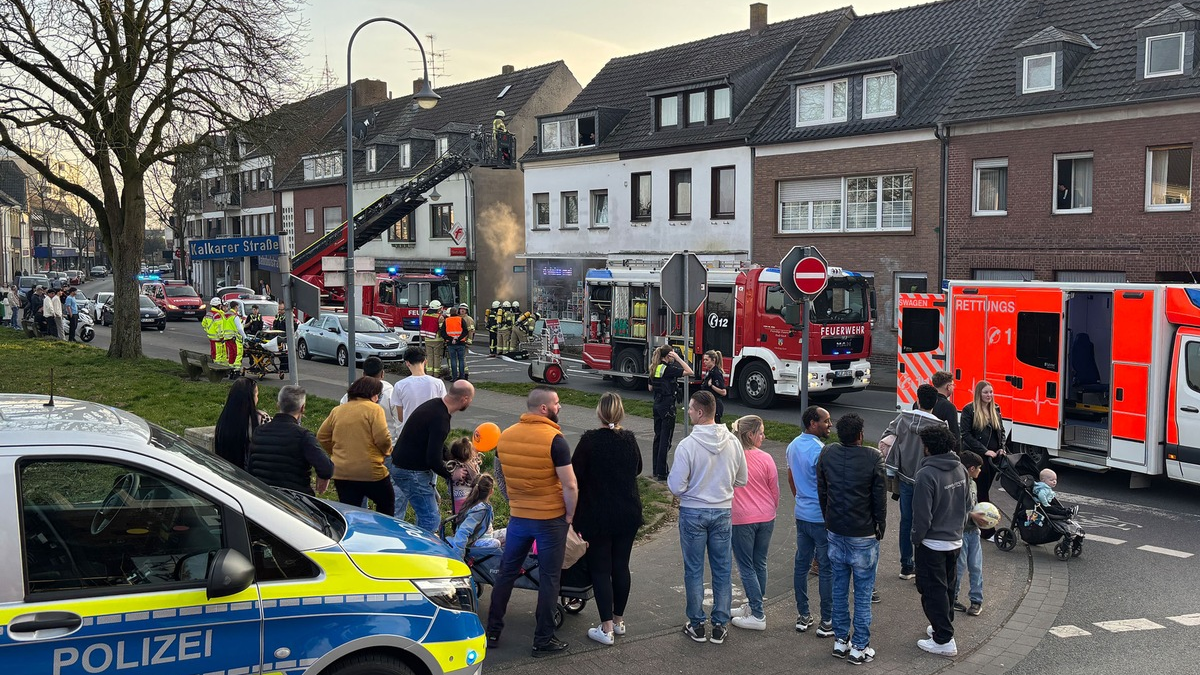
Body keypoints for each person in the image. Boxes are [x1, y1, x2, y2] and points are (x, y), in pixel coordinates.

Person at [487, 386, 579, 658]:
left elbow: (501, 478)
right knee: (550, 578)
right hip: (550, 519)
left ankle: (493, 630)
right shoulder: (555, 440)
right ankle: (543, 639)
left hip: (519, 518)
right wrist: (570, 514)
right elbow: (570, 485)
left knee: (506, 573)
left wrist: (515, 501)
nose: (559, 407)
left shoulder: (505, 437)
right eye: (557, 403)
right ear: (543, 408)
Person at [668, 391, 747, 646]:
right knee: (722, 569)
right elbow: (742, 479)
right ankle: (720, 624)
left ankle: (697, 623)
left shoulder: (687, 445)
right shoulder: (733, 442)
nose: (687, 412)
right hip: (723, 510)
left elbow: (676, 487)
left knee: (693, 569)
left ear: (700, 413)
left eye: (690, 409)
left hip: (693, 511)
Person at [571, 392, 643, 646]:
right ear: (621, 413)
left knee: (600, 570)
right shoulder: (629, 439)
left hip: (597, 513)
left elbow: (574, 474)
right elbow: (638, 469)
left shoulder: (589, 441)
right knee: (621, 566)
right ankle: (619, 620)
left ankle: (606, 628)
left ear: (599, 413)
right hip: (628, 511)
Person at [817, 413, 886, 665]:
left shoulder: (828, 453)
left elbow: (822, 489)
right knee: (863, 593)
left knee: (839, 588)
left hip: (836, 530)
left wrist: (828, 518)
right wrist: (881, 525)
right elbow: (879, 498)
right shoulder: (873, 457)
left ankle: (840, 640)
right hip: (863, 533)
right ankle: (859, 646)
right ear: (860, 434)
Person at [912, 425, 971, 657]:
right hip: (955, 540)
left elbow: (922, 516)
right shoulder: (960, 468)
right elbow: (967, 504)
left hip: (932, 543)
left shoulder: (926, 475)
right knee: (947, 588)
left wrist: (916, 540)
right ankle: (942, 627)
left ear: (928, 448)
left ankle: (944, 639)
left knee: (931, 591)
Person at [882, 383, 948, 581]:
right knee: (926, 523)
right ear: (935, 402)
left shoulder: (903, 418)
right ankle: (921, 566)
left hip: (905, 478)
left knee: (906, 522)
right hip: (929, 481)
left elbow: (887, 436)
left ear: (917, 400)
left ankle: (905, 566)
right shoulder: (940, 426)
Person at [392, 380, 476, 532]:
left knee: (424, 513)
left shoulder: (436, 406)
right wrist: (452, 473)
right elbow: (433, 460)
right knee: (431, 518)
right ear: (464, 399)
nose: (470, 402)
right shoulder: (441, 420)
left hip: (402, 464)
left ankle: (415, 540)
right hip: (411, 471)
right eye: (471, 399)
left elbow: (433, 444)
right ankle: (421, 552)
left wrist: (451, 458)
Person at [786, 406, 835, 637]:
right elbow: (827, 485)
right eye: (826, 421)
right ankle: (827, 620)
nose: (830, 425)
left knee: (801, 565)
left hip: (801, 514)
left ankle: (803, 615)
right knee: (826, 568)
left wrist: (800, 499)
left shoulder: (792, 445)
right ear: (813, 423)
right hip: (819, 518)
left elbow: (790, 476)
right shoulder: (821, 450)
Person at [317, 377, 395, 515]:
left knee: (350, 513)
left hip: (341, 472)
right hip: (370, 471)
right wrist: (387, 452)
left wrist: (336, 453)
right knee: (386, 504)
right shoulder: (374, 409)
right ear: (373, 394)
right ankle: (380, 534)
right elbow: (382, 439)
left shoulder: (338, 410)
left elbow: (322, 436)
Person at [729, 415, 778, 631]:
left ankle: (757, 613)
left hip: (741, 518)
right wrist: (771, 509)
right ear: (750, 435)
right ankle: (753, 604)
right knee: (760, 562)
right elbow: (774, 489)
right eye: (761, 433)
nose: (763, 436)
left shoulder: (732, 458)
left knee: (746, 566)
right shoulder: (767, 458)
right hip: (766, 516)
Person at [246, 385, 334, 496]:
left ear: (278, 405)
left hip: (264, 496)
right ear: (302, 408)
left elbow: (251, 466)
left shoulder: (259, 431)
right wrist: (323, 477)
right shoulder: (303, 436)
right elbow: (327, 468)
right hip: (294, 499)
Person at [960, 380, 1005, 539]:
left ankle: (980, 525)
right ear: (979, 393)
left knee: (982, 491)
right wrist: (985, 451)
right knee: (982, 492)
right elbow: (966, 435)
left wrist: (1001, 448)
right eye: (986, 392)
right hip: (977, 457)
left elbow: (1001, 431)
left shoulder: (996, 409)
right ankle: (986, 530)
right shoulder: (969, 410)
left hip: (993, 458)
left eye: (991, 392)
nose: (989, 395)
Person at [649, 344, 695, 481]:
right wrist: (679, 358)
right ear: (668, 356)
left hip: (657, 405)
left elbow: (650, 387)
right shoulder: (669, 369)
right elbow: (690, 371)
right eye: (672, 355)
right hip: (667, 406)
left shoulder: (655, 367)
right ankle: (663, 472)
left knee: (657, 438)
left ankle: (656, 470)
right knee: (665, 440)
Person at [953, 450, 987, 617]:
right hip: (961, 533)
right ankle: (953, 597)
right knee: (958, 568)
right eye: (979, 468)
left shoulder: (973, 483)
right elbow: (954, 510)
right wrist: (972, 515)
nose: (980, 471)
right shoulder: (958, 484)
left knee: (975, 566)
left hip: (974, 531)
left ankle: (976, 600)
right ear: (971, 468)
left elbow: (974, 505)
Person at [213, 377, 271, 469]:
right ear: (250, 398)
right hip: (251, 473)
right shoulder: (261, 418)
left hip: (227, 470)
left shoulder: (224, 418)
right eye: (256, 395)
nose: (257, 398)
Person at [390, 346, 446, 433]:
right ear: (425, 361)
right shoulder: (438, 383)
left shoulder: (399, 385)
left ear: (407, 363)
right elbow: (444, 409)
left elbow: (400, 417)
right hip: (431, 431)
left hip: (409, 431)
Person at [340, 356, 398, 440]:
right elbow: (399, 420)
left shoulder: (352, 392)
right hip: (387, 442)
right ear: (382, 374)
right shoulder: (390, 393)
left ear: (363, 374)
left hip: (359, 441)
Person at [450, 474, 503, 559]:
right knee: (495, 543)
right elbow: (462, 531)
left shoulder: (482, 505)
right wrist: (458, 555)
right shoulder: (479, 510)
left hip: (486, 536)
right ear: (491, 491)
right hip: (475, 541)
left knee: (511, 532)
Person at [446, 437, 481, 514]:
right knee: (467, 516)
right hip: (467, 497)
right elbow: (476, 480)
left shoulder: (451, 464)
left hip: (456, 496)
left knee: (459, 515)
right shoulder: (469, 466)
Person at [443, 303, 475, 381]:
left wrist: (468, 341)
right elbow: (465, 331)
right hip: (461, 342)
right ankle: (462, 376)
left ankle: (458, 376)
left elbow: (470, 331)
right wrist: (459, 339)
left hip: (454, 343)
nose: (462, 310)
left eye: (464, 309)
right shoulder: (460, 319)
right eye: (461, 309)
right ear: (457, 311)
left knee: (456, 360)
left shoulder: (468, 319)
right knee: (460, 359)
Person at [927, 371, 961, 440]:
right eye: (952, 385)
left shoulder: (921, 402)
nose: (953, 388)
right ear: (948, 387)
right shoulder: (949, 407)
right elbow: (954, 434)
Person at [696, 350, 727, 423]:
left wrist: (712, 386)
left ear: (713, 360)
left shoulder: (716, 373)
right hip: (708, 404)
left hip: (715, 405)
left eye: (707, 360)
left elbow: (723, 392)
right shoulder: (709, 371)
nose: (704, 362)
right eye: (704, 360)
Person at [421, 300, 446, 377]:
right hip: (437, 339)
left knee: (429, 356)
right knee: (437, 356)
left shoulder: (424, 315)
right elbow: (442, 329)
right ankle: (436, 374)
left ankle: (429, 373)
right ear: (438, 308)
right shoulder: (440, 317)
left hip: (427, 339)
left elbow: (423, 325)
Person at [224, 299, 246, 373]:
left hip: (227, 337)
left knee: (231, 354)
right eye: (238, 307)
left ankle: (231, 370)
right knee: (237, 354)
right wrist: (245, 337)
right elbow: (239, 328)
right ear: (236, 307)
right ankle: (236, 370)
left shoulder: (225, 315)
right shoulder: (235, 316)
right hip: (234, 338)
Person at [203, 298, 227, 364]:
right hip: (218, 338)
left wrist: (209, 331)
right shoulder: (217, 315)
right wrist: (222, 337)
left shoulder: (208, 313)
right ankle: (218, 368)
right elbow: (219, 328)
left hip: (211, 337)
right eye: (220, 305)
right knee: (219, 355)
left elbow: (203, 324)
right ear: (218, 305)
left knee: (214, 353)